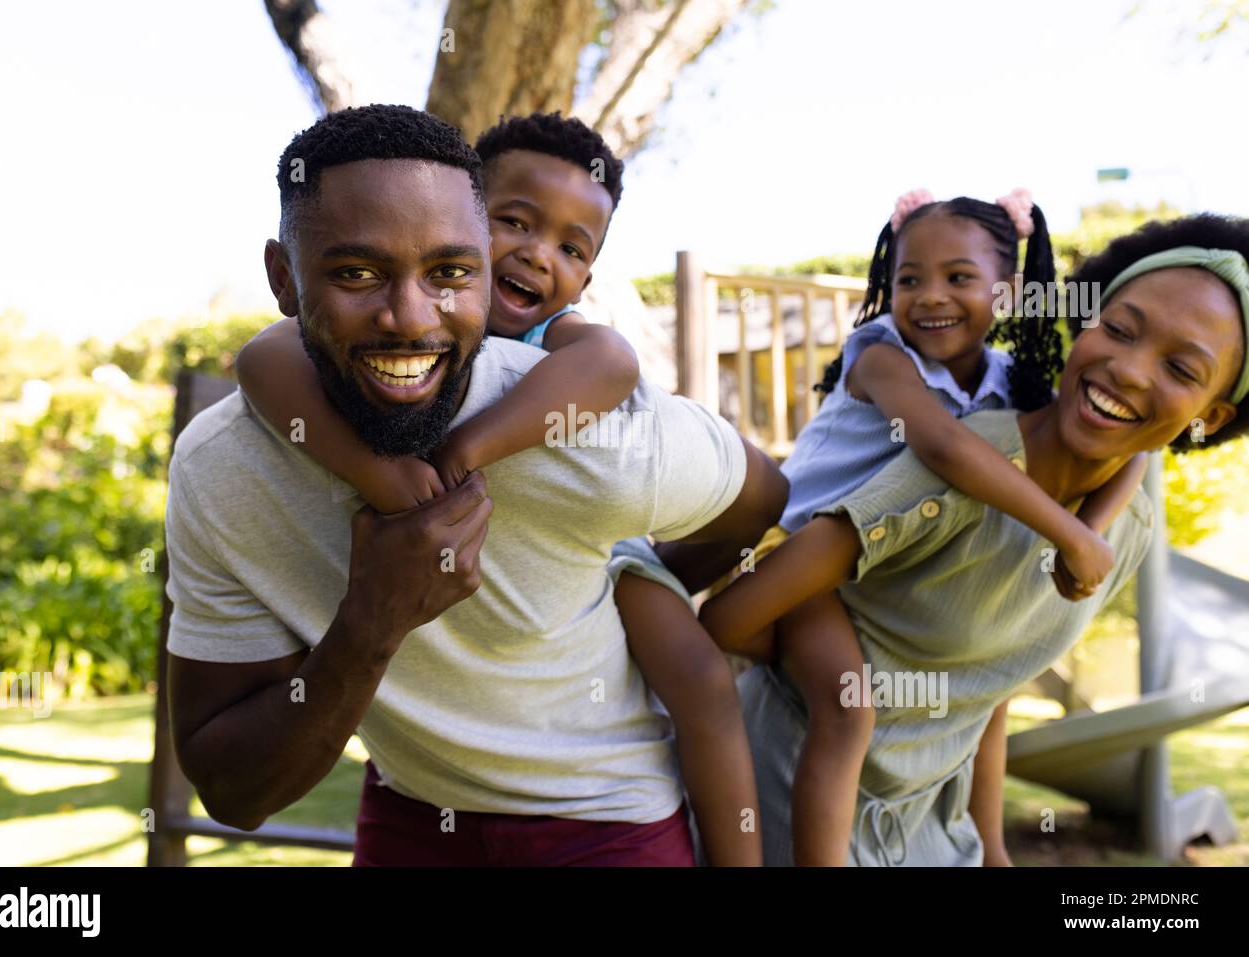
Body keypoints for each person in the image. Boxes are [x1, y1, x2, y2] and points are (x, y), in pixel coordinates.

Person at [163, 104, 787, 866]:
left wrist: (650, 567)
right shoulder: (230, 456)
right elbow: (263, 359)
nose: (408, 313)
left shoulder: (592, 416)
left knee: (699, 682)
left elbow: (741, 475)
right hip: (413, 804)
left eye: (568, 244)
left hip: (609, 794)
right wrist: (391, 494)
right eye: (358, 271)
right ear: (284, 280)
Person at [707, 212, 1249, 865]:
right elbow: (730, 618)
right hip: (793, 807)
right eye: (1119, 328)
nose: (1130, 370)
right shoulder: (960, 460)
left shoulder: (1126, 526)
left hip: (936, 828)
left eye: (1182, 369)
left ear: (1212, 416)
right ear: (1085, 323)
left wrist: (991, 845)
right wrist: (827, 659)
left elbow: (991, 684)